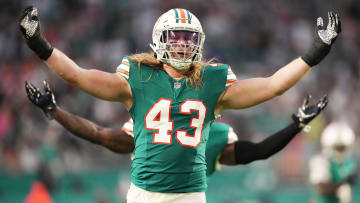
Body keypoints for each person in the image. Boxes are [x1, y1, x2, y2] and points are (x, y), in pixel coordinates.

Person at [20, 6, 341, 203]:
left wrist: (316, 52)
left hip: (190, 195)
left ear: (199, 43)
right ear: (160, 38)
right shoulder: (138, 77)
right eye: (175, 36)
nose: (182, 43)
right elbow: (77, 76)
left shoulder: (212, 83)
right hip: (145, 195)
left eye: (188, 38)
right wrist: (38, 43)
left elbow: (272, 86)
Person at [26, 80, 327, 175]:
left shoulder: (211, 135)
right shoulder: (210, 135)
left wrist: (55, 110)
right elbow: (99, 135)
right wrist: (296, 125)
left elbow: (98, 135)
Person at [309, 122, 358, 203]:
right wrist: (343, 183)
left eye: (342, 148)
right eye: (338, 148)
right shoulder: (321, 161)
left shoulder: (350, 162)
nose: (340, 151)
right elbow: (322, 189)